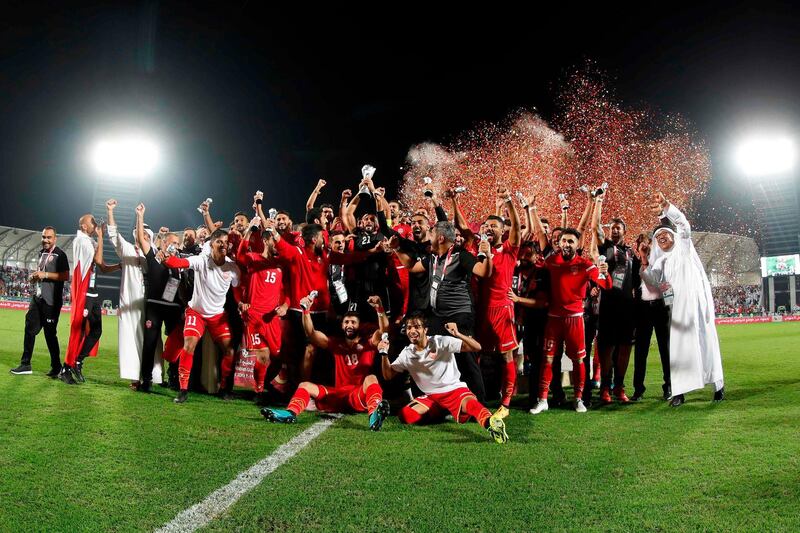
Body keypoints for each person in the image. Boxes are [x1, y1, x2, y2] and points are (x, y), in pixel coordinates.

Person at [638, 193, 724, 407]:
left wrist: (666, 207)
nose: (662, 238)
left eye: (665, 234)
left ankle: (718, 385)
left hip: (696, 306)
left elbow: (683, 224)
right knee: (678, 350)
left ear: (673, 236)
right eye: (658, 238)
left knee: (706, 342)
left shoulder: (684, 248)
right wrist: (643, 259)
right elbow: (650, 280)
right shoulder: (661, 262)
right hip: (677, 310)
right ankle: (679, 392)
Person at [392, 220, 492, 402]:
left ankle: (479, 401)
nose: (428, 235)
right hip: (438, 315)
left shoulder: (461, 256)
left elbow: (484, 272)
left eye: (431, 232)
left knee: (466, 356)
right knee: (423, 346)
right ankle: (424, 397)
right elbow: (412, 267)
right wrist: (397, 248)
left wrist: (487, 254)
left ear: (440, 237)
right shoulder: (432, 257)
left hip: (460, 315)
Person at [261, 295, 390, 431]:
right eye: (346, 322)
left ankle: (375, 415)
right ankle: (290, 413)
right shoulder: (336, 343)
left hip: (357, 395)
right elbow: (311, 334)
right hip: (337, 394)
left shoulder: (368, 343)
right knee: (304, 385)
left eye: (353, 322)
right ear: (342, 325)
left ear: (359, 325)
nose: (349, 325)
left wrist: (379, 309)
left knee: (371, 378)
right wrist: (306, 311)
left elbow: (384, 330)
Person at [379, 312, 508, 444]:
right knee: (405, 416)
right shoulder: (407, 353)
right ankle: (441, 413)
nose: (412, 331)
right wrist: (384, 354)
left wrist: (457, 334)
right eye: (409, 328)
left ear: (425, 330)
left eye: (417, 327)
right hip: (431, 397)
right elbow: (388, 375)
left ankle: (491, 423)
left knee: (471, 405)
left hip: (454, 391)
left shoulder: (440, 341)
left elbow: (476, 347)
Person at [529, 228, 611, 414]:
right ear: (559, 243)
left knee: (578, 360)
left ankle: (578, 399)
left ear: (577, 244)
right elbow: (538, 274)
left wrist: (604, 273)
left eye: (571, 241)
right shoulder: (551, 262)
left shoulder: (585, 264)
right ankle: (543, 400)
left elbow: (606, 285)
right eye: (564, 241)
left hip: (575, 319)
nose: (566, 244)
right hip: (553, 319)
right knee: (548, 359)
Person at [163, 228, 241, 403]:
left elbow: (238, 289)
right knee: (189, 345)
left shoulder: (232, 267)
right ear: (211, 244)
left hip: (217, 316)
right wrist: (167, 259)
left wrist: (242, 302)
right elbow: (177, 263)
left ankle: (223, 389)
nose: (223, 245)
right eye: (219, 241)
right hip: (196, 313)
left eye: (225, 242)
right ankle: (183, 390)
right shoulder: (201, 261)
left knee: (229, 351)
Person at [105, 199, 162, 388]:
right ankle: (135, 376)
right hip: (131, 302)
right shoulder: (127, 249)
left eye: (146, 234)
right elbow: (113, 235)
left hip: (152, 302)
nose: (142, 236)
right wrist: (110, 211)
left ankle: (154, 376)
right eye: (140, 233)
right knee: (131, 338)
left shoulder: (154, 254)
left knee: (153, 339)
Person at [476, 188, 521, 418]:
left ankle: (505, 404)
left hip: (502, 309)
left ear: (503, 230)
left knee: (506, 356)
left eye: (495, 226)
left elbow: (516, 226)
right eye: (486, 226)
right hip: (482, 310)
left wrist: (509, 202)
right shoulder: (480, 250)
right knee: (477, 353)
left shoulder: (509, 250)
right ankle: (475, 397)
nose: (489, 229)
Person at [236, 216, 288, 403]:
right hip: (255, 315)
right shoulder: (252, 259)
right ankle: (258, 392)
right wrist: (250, 230)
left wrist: (285, 305)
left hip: (273, 317)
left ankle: (265, 383)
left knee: (278, 357)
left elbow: (288, 290)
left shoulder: (281, 264)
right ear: (266, 240)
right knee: (264, 356)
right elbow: (240, 255)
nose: (278, 244)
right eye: (275, 240)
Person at [62, 215, 119, 384]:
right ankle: (66, 368)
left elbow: (102, 267)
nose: (96, 224)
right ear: (84, 227)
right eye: (92, 222)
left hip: (93, 293)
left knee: (96, 331)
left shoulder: (90, 241)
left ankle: (78, 361)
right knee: (77, 331)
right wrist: (101, 236)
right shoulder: (81, 240)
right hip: (84, 293)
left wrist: (120, 266)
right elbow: (98, 259)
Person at [135, 203, 185, 392]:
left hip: (174, 308)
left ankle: (174, 378)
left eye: (177, 244)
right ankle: (146, 380)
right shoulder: (154, 256)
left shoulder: (181, 262)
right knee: (149, 343)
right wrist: (140, 216)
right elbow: (141, 238)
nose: (174, 246)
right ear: (163, 243)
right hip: (155, 306)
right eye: (171, 242)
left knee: (175, 345)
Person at [10, 226, 69, 377]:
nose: (45, 240)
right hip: (38, 299)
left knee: (50, 335)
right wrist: (34, 277)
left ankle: (56, 367)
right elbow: (41, 272)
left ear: (55, 239)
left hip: (51, 302)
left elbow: (65, 276)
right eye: (44, 237)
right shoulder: (41, 252)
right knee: (29, 328)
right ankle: (25, 364)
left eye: (49, 237)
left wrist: (45, 274)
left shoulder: (60, 255)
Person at [631, 232, 671, 402]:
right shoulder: (634, 263)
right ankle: (638, 390)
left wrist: (670, 306)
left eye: (646, 243)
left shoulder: (660, 261)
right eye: (641, 244)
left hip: (661, 308)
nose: (644, 247)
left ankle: (669, 386)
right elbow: (632, 286)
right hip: (642, 310)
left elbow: (660, 284)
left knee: (666, 350)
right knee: (640, 351)